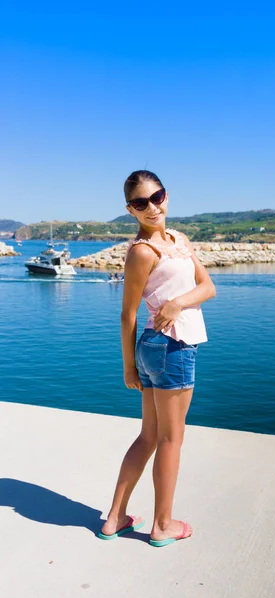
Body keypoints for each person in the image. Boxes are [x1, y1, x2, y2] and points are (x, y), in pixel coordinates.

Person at [99, 170, 216, 547]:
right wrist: (127, 366)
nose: (152, 207)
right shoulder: (141, 252)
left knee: (150, 435)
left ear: (166, 196)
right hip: (170, 347)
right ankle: (162, 525)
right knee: (170, 439)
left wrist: (178, 301)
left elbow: (208, 287)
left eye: (157, 197)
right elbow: (127, 314)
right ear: (130, 210)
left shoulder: (179, 241)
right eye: (140, 203)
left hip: (161, 346)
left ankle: (116, 518)